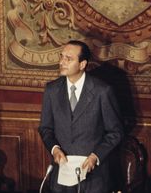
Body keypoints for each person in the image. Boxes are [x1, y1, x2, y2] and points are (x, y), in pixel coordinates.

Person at [39, 40, 124, 193]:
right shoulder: (51, 90)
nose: (62, 62)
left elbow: (115, 132)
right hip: (62, 180)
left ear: (82, 64)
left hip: (94, 179)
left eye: (68, 59)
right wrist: (55, 149)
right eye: (62, 57)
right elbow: (45, 128)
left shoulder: (102, 91)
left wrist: (95, 156)